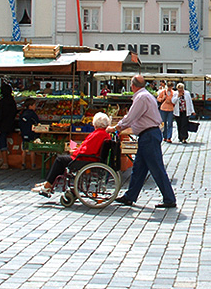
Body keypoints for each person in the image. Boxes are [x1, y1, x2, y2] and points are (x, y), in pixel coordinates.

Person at [108, 74, 176, 209]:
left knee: (156, 167)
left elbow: (130, 117)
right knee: (139, 168)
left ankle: (169, 198)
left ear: (132, 86)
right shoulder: (146, 95)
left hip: (149, 135)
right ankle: (130, 196)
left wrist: (115, 128)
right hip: (148, 134)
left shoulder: (141, 98)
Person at [31, 112, 112, 195]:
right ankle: (48, 183)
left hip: (85, 159)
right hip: (90, 158)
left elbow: (89, 150)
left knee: (60, 160)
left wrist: (75, 152)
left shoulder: (98, 134)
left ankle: (48, 185)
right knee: (62, 160)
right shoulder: (104, 134)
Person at [0, 83, 17, 169]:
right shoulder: (12, 102)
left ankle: (5, 162)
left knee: (1, 141)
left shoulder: (1, 103)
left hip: (3, 125)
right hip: (11, 124)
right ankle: (1, 159)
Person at [17, 98, 41, 170]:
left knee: (24, 149)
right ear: (30, 106)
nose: (35, 106)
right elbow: (37, 123)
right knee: (32, 149)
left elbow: (20, 123)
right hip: (31, 133)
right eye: (34, 105)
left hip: (24, 132)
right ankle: (33, 165)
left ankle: (23, 164)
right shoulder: (32, 114)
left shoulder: (22, 113)